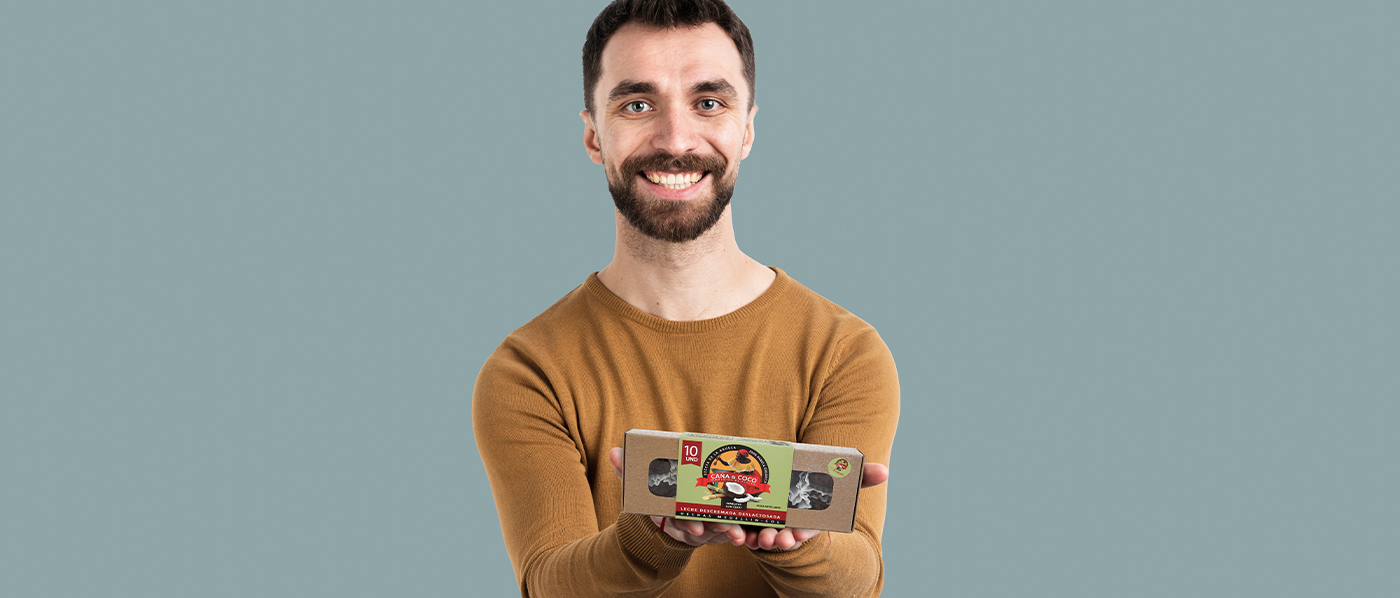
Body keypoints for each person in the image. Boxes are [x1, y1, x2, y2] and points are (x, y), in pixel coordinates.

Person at [472, 1, 900, 596]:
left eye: (709, 102)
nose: (676, 139)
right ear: (594, 134)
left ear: (746, 128)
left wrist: (808, 541)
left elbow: (858, 582)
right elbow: (549, 584)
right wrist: (652, 538)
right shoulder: (528, 370)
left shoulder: (844, 352)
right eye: (637, 105)